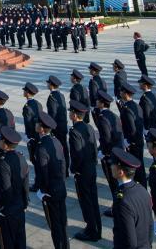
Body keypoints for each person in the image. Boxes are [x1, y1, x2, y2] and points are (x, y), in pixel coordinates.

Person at [32, 110, 69, 249]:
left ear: (42, 129)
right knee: (62, 222)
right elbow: (63, 163)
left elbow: (43, 172)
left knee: (55, 225)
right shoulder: (56, 141)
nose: (35, 125)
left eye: (37, 123)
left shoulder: (41, 147)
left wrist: (43, 190)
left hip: (51, 192)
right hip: (60, 186)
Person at [68, 100, 101, 242]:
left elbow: (77, 154)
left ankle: (92, 231)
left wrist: (74, 169)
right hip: (91, 168)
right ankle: (96, 228)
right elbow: (94, 148)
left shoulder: (74, 131)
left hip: (82, 171)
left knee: (86, 201)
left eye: (71, 112)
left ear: (75, 115)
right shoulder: (89, 127)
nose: (69, 114)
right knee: (93, 199)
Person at [109, 147, 154, 249]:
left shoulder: (122, 201)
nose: (111, 167)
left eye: (113, 165)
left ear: (121, 172)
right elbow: (150, 224)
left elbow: (130, 241)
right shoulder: (141, 189)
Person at [0, 126, 29, 249]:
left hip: (8, 210)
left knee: (8, 243)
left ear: (4, 144)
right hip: (20, 206)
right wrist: (25, 202)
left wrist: (0, 208)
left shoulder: (3, 163)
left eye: (1, 140)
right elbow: (25, 183)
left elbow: (6, 189)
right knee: (20, 241)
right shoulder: (21, 157)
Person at [118, 82, 147, 187]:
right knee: (140, 166)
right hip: (139, 140)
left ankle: (140, 187)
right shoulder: (136, 106)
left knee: (135, 168)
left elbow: (132, 128)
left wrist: (129, 141)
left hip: (133, 143)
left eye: (121, 92)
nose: (120, 93)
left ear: (125, 94)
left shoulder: (127, 109)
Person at [46, 75, 70, 174]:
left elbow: (52, 114)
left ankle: (62, 170)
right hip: (63, 126)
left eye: (48, 83)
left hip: (57, 128)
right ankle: (66, 169)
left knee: (58, 149)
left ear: (51, 85)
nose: (47, 85)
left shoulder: (52, 97)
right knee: (64, 147)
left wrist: (50, 128)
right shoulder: (61, 95)